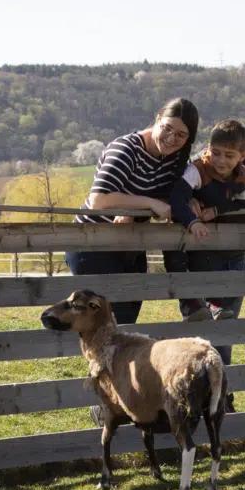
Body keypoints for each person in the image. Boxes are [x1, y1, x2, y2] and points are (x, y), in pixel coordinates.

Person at [65, 98, 199, 325]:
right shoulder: (126, 149)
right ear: (158, 118)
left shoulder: (174, 159)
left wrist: (190, 201)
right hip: (93, 246)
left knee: (125, 324)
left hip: (130, 248)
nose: (171, 138)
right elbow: (98, 199)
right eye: (167, 128)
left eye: (181, 135)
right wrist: (149, 204)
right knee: (104, 326)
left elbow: (169, 196)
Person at [167, 119, 245, 365]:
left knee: (213, 274)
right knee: (178, 261)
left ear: (242, 155)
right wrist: (192, 220)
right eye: (215, 152)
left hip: (211, 240)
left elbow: (239, 201)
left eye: (229, 155)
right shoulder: (197, 170)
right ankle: (191, 304)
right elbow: (176, 197)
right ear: (208, 148)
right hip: (184, 231)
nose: (220, 161)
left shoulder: (244, 178)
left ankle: (215, 304)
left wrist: (215, 210)